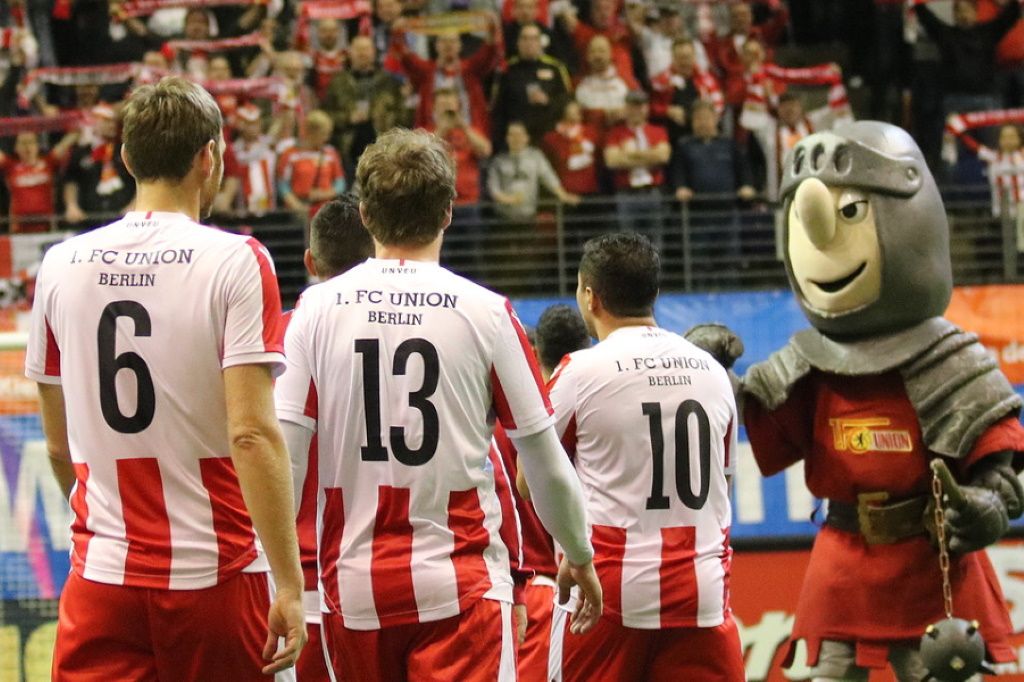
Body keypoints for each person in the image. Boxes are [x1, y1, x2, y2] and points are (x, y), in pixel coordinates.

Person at [273, 127, 602, 681]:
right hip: (462, 585)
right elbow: (543, 463)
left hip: (352, 589)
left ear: (368, 216)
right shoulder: (489, 313)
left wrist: (280, 578)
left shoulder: (313, 310)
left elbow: (285, 461)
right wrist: (580, 552)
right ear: (449, 212)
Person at [26, 76, 306, 680]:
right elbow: (252, 434)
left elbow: (57, 443)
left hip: (102, 577)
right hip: (215, 573)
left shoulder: (58, 264)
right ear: (210, 157)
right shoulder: (237, 259)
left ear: (126, 158)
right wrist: (289, 581)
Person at [540, 232, 744, 682]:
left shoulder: (579, 373)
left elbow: (532, 476)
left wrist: (572, 547)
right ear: (653, 294)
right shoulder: (713, 373)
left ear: (590, 297)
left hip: (608, 593)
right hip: (701, 593)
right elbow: (723, 484)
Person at [288, 195, 375, 682]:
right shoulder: (417, 340)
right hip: (380, 577)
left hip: (290, 586)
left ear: (310, 262)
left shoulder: (268, 342)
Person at [491, 303, 590, 682]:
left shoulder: (491, 424)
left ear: (534, 355)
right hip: (567, 587)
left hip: (513, 591)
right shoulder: (586, 421)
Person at [322, 35, 406, 173]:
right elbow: (326, 116)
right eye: (358, 49)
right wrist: (348, 118)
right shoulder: (337, 82)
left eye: (366, 49)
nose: (362, 53)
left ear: (374, 52)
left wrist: (384, 119)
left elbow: (403, 116)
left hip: (384, 151)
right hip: (346, 151)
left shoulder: (389, 82)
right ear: (349, 52)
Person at [603, 90, 671, 251]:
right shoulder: (615, 133)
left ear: (646, 108)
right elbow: (612, 160)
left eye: (640, 106)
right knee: (628, 244)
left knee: (655, 244)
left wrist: (629, 154)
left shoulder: (657, 131)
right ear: (626, 108)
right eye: (632, 106)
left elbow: (662, 157)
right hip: (626, 194)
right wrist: (649, 155)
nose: (636, 111)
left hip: (652, 192)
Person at [491, 22, 573, 146]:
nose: (529, 43)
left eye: (534, 38)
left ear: (541, 42)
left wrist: (548, 101)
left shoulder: (556, 68)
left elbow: (568, 101)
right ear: (517, 42)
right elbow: (498, 108)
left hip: (549, 136)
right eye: (524, 38)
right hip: (517, 138)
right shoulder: (506, 69)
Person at [0, 129, 78, 232]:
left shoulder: (48, 162)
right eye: (23, 143)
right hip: (19, 226)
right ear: (16, 147)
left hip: (47, 224)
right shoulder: (10, 166)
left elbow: (68, 140)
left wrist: (79, 122)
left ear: (37, 145)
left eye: (31, 142)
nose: (27, 147)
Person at [277, 110, 347, 219]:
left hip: (325, 211)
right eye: (323, 134)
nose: (326, 138)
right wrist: (295, 205)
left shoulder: (330, 153)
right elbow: (282, 184)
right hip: (300, 210)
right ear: (311, 132)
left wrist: (325, 194)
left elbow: (340, 182)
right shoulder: (290, 154)